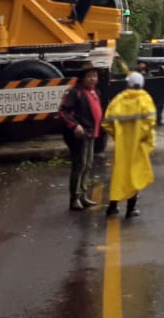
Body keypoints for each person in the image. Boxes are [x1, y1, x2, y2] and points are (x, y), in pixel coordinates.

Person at [103, 71, 157, 218]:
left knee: (119, 174)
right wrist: (144, 139)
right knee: (135, 174)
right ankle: (130, 209)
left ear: (128, 84)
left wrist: (117, 136)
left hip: (122, 145)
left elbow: (107, 122)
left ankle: (112, 207)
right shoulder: (145, 100)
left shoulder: (118, 100)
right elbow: (150, 123)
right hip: (138, 145)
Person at [59, 65, 103, 212]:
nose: (93, 79)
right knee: (79, 165)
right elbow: (63, 112)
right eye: (90, 76)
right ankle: (74, 198)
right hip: (80, 134)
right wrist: (75, 125)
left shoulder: (94, 91)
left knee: (88, 164)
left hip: (91, 133)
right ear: (83, 78)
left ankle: (83, 195)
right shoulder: (74, 92)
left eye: (95, 76)